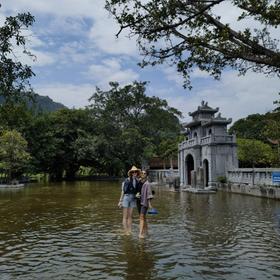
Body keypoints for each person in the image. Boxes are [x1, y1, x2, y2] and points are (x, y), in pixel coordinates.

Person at [118, 165, 141, 235]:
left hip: (133, 198)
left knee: (130, 216)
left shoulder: (137, 181)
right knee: (125, 216)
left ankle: (130, 230)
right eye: (133, 172)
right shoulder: (126, 180)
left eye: (135, 172)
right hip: (126, 197)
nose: (134, 173)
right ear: (131, 173)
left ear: (137, 173)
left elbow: (138, 191)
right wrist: (120, 201)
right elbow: (123, 191)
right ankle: (126, 231)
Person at [139, 170, 153, 239]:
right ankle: (146, 231)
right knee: (143, 217)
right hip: (140, 202)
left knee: (141, 217)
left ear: (146, 175)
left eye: (144, 173)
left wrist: (149, 204)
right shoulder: (140, 182)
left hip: (145, 203)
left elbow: (149, 194)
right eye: (142, 173)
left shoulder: (147, 184)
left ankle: (141, 233)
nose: (143, 174)